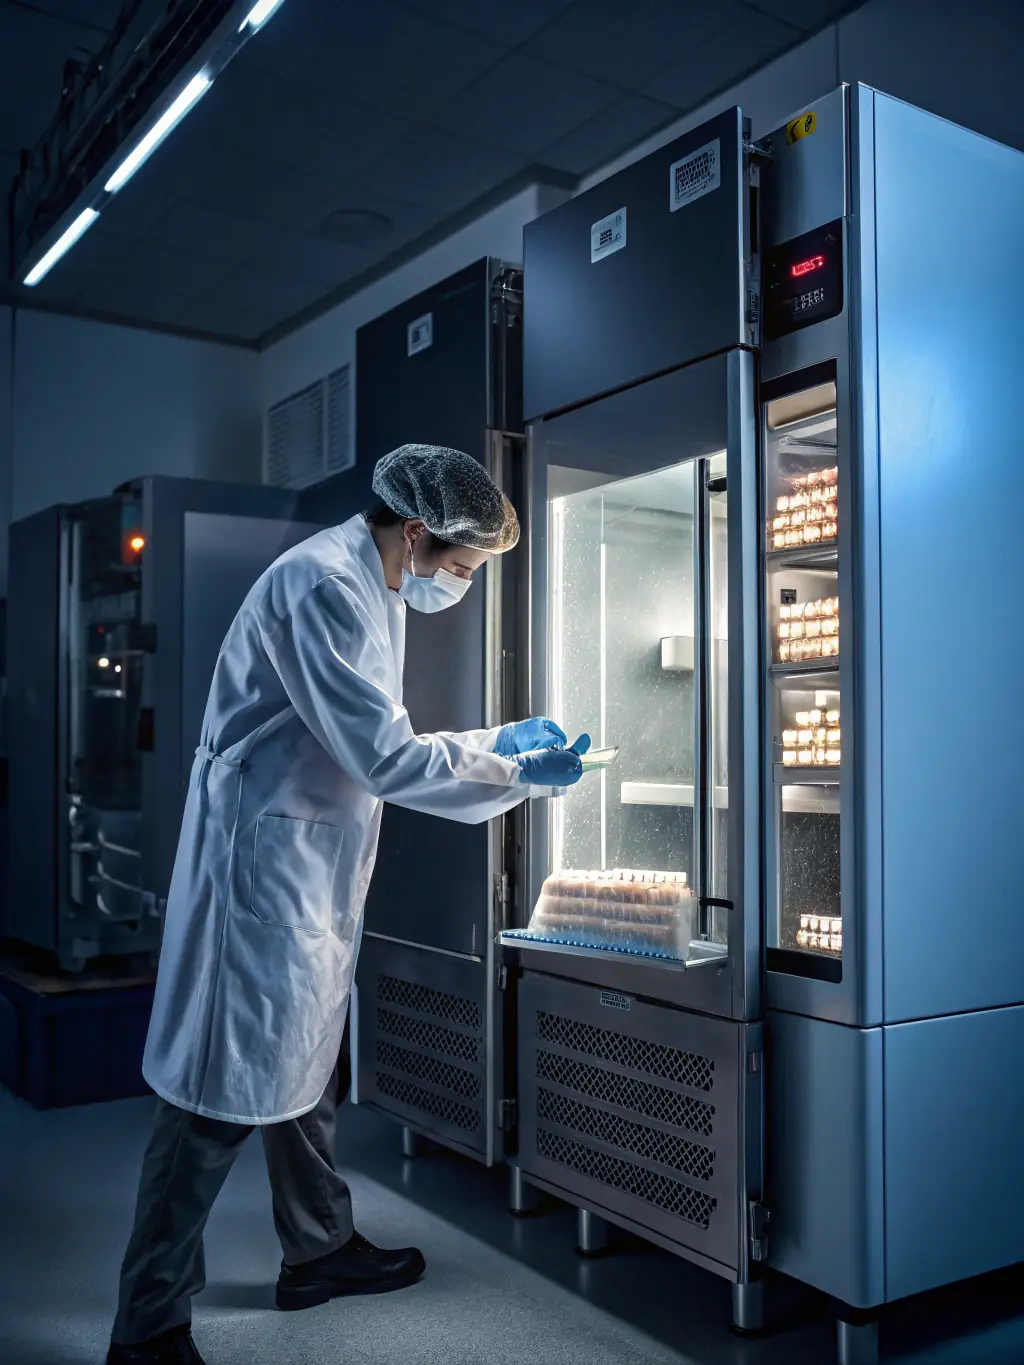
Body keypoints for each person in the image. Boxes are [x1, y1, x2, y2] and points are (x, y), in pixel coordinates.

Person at [107, 444, 588, 1364]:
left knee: (309, 1059)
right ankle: (148, 1324)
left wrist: (499, 740)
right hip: (260, 868)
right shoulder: (323, 585)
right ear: (416, 529)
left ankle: (318, 1247)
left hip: (309, 861)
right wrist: (515, 771)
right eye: (463, 564)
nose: (462, 582)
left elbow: (378, 733)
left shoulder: (374, 584)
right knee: (215, 1095)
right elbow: (388, 760)